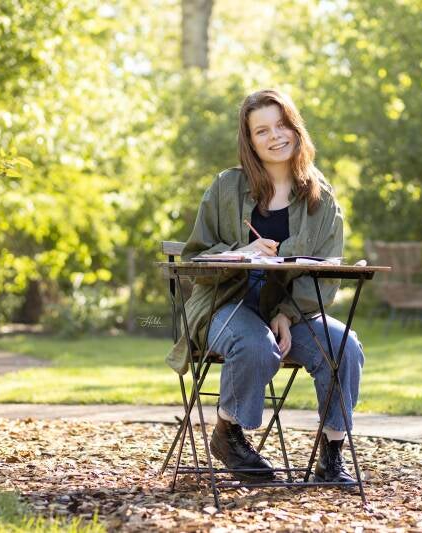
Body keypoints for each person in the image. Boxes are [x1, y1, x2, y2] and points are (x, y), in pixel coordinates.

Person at [165, 88, 365, 484]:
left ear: (295, 128)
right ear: (250, 141)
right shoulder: (226, 188)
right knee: (256, 345)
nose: (275, 136)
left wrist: (288, 315)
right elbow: (196, 259)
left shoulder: (320, 197)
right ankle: (228, 434)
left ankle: (331, 456)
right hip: (224, 308)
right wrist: (243, 251)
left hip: (293, 312)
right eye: (262, 131)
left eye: (282, 125)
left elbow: (327, 270)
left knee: (344, 346)